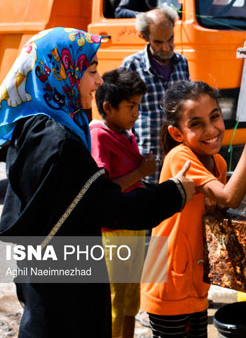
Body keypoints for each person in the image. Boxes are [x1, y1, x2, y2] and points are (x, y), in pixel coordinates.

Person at [0, 27, 195, 338]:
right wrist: (175, 192)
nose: (98, 81)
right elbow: (111, 207)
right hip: (68, 294)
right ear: (60, 70)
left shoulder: (30, 127)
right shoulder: (60, 142)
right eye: (91, 70)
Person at [140, 81, 246, 338]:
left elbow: (223, 208)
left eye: (215, 117)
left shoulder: (216, 161)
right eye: (196, 124)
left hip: (192, 280)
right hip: (168, 283)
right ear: (177, 134)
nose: (211, 130)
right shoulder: (181, 157)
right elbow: (228, 197)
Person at [90, 68, 155, 338]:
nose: (137, 112)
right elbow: (101, 188)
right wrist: (141, 172)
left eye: (138, 106)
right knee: (114, 300)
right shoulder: (99, 135)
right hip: (113, 234)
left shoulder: (127, 133)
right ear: (108, 107)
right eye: (131, 106)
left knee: (130, 300)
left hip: (134, 227)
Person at [121, 5, 190, 184]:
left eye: (170, 39)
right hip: (148, 156)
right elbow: (121, 117)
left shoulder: (182, 63)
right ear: (145, 37)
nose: (167, 47)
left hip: (178, 153)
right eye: (159, 42)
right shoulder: (132, 66)